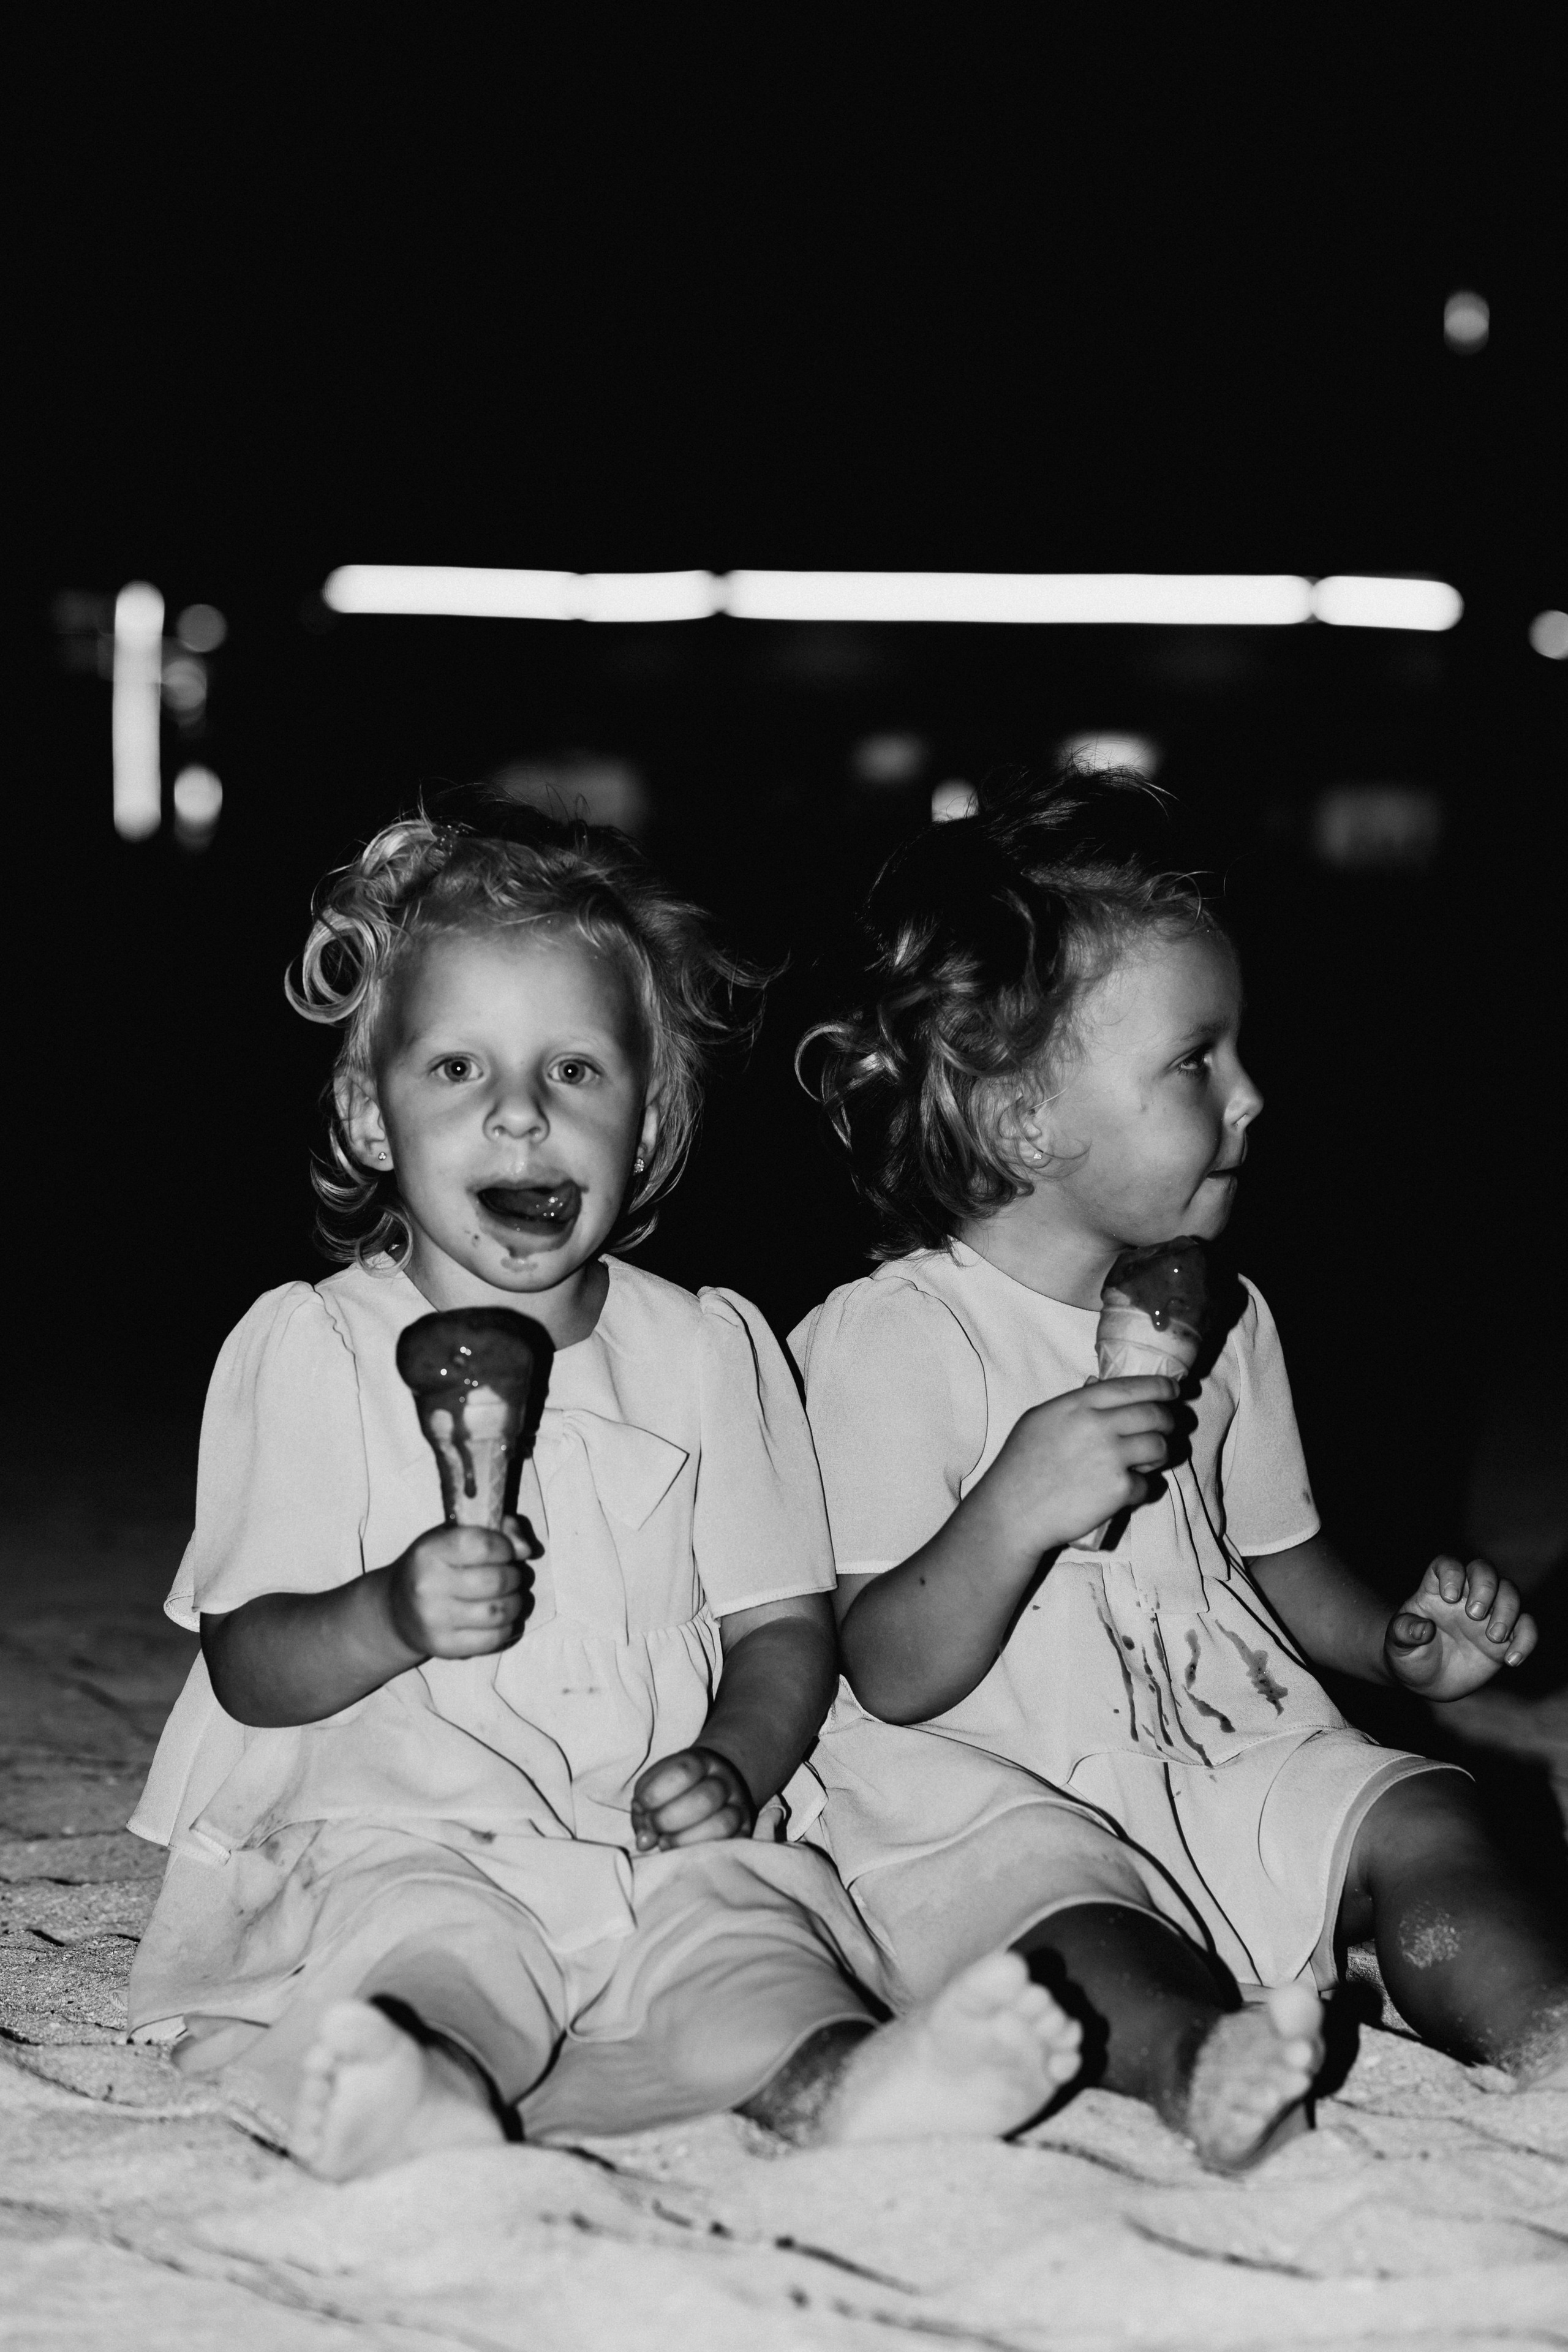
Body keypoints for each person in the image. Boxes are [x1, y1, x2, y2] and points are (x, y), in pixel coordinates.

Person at [127, 796, 1082, 2180]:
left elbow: (779, 1629)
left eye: (575, 1071)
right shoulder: (316, 1348)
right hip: (403, 1824)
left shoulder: (702, 1352)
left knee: (745, 1932)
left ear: (644, 1129)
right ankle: (424, 2094)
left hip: (640, 1825)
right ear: (369, 1113)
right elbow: (250, 1663)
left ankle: (842, 2083)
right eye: (457, 1068)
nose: (519, 1112)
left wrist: (735, 1763)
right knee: (437, 1948)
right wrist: (387, 1614)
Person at [791, 767, 1568, 2171]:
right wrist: (1013, 1510)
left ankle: (1545, 2041)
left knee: (1428, 1815)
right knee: (1080, 1927)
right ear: (1028, 1121)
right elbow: (881, 1666)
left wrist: (1398, 1650)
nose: (1252, 1095)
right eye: (1195, 1061)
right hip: (990, 1786)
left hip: (1215, 1742)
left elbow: (1278, 1568)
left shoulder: (1230, 1316)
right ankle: (1188, 2062)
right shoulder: (889, 1338)